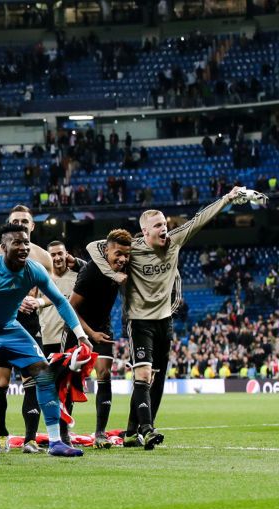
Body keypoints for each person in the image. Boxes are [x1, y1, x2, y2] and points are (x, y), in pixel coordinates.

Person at [85, 186, 265, 448]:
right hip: (139, 322)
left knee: (155, 378)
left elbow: (200, 219)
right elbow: (93, 246)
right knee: (143, 375)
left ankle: (133, 431)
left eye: (165, 224)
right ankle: (147, 429)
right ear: (145, 231)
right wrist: (113, 274)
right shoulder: (132, 249)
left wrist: (227, 198)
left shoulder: (175, 241)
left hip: (164, 322)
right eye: (157, 225)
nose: (164, 228)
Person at [0, 224, 90, 461]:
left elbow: (61, 302)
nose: (23, 247)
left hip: (9, 327)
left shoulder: (34, 270)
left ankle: (55, 442)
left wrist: (81, 335)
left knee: (44, 372)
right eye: (17, 243)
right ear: (4, 247)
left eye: (26, 243)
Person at [67, 229, 131, 449]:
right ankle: (63, 433)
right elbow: (70, 308)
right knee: (71, 380)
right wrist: (88, 334)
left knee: (104, 373)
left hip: (102, 328)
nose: (122, 259)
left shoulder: (121, 268)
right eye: (118, 253)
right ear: (106, 251)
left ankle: (100, 433)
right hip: (78, 328)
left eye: (126, 255)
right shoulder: (92, 272)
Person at [37, 241, 82, 443]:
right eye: (53, 254)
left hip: (70, 340)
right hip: (47, 340)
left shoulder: (77, 278)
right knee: (51, 389)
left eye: (60, 254)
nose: (57, 258)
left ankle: (64, 433)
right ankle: (55, 431)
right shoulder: (41, 280)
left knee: (68, 388)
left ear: (67, 254)